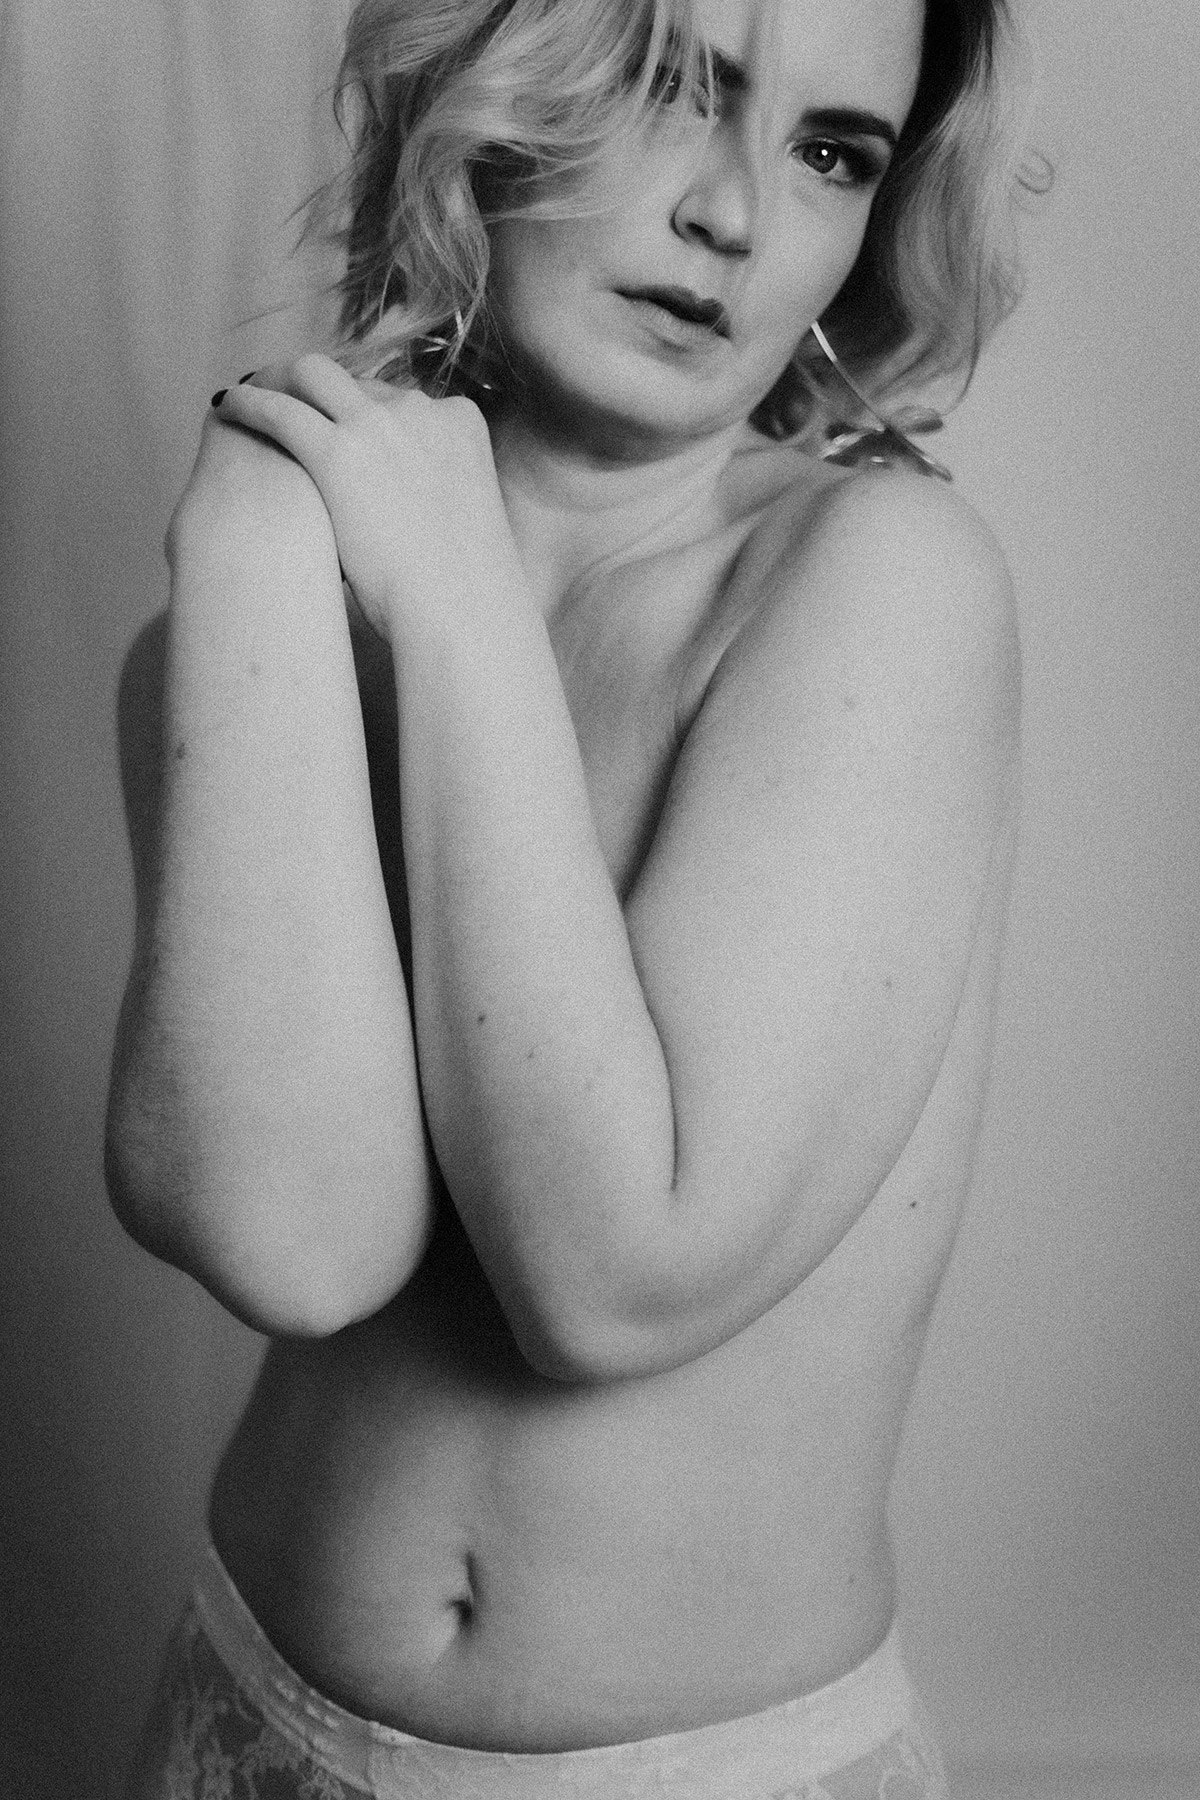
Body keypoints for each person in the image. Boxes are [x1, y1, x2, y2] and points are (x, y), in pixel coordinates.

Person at [106, 0, 1031, 1792]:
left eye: (832, 152)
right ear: (494, 79)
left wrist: (457, 595)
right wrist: (245, 536)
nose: (737, 215)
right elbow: (292, 1239)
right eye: (677, 86)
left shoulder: (882, 581)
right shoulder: (268, 609)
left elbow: (613, 1280)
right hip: (240, 1715)